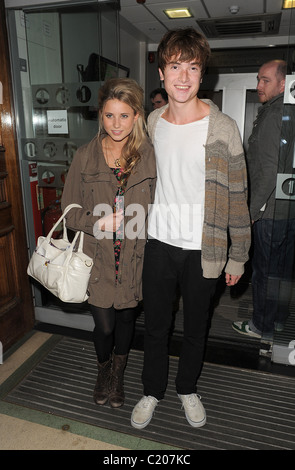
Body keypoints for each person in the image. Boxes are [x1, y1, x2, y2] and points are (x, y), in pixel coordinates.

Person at [131, 28, 251, 429]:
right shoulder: (151, 122)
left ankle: (186, 389)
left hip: (205, 246)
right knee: (156, 326)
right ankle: (152, 390)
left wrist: (239, 254)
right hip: (159, 243)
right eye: (175, 66)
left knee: (196, 327)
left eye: (193, 67)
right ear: (162, 74)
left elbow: (239, 194)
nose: (183, 77)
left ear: (203, 75)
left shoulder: (223, 128)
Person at [61, 78, 156, 408]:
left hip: (133, 257)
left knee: (127, 321)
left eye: (124, 116)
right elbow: (69, 211)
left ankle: (118, 374)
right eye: (110, 115)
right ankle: (103, 371)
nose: (117, 124)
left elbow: (162, 207)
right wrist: (96, 222)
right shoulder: (86, 157)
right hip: (98, 257)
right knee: (104, 325)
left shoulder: (148, 157)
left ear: (137, 116)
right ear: (100, 115)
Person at [232, 60, 295, 340]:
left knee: (264, 272)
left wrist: (253, 210)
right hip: (287, 208)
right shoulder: (289, 112)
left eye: (265, 80)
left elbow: (269, 171)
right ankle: (278, 319)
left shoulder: (274, 116)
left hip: (269, 210)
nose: (258, 86)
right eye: (258, 79)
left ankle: (261, 325)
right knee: (281, 271)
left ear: (283, 84)